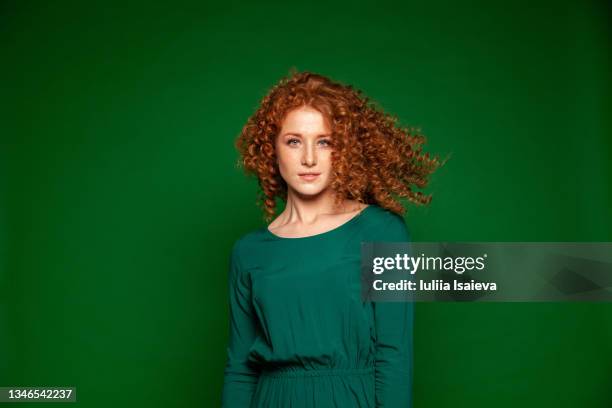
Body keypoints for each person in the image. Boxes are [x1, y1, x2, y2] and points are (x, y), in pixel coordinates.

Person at [222, 69, 439, 407]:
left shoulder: (382, 232)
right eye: (294, 141)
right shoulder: (248, 252)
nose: (309, 158)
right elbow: (239, 368)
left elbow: (394, 355)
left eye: (325, 142)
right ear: (271, 149)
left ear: (345, 150)